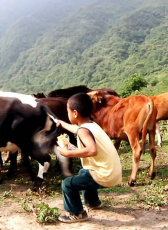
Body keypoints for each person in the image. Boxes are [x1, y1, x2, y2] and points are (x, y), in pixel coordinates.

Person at [56, 93, 122, 223]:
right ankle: (93, 202)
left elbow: (92, 150)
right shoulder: (91, 125)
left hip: (106, 175)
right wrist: (62, 124)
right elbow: (77, 129)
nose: (67, 114)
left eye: (67, 111)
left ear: (75, 113)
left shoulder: (83, 130)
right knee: (84, 171)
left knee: (67, 184)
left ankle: (77, 213)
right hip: (113, 172)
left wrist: (67, 153)